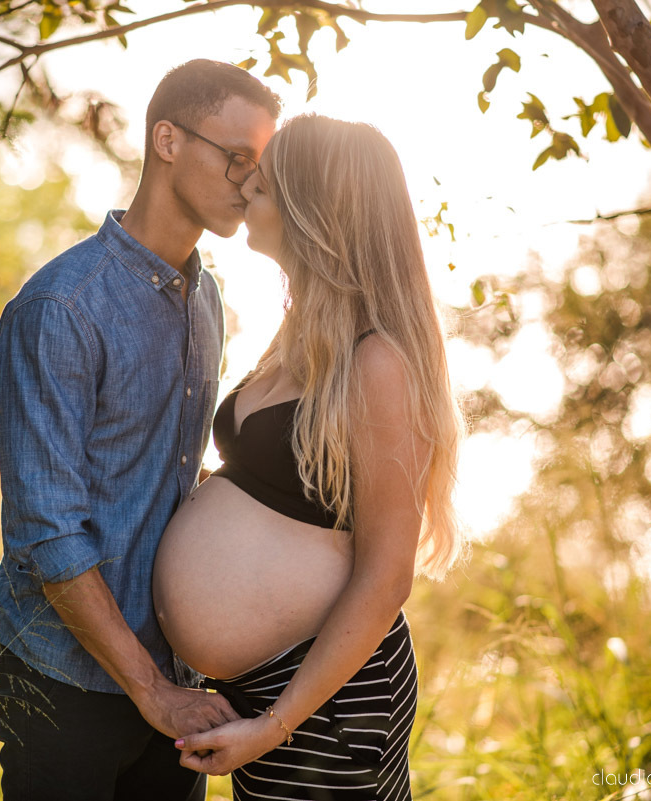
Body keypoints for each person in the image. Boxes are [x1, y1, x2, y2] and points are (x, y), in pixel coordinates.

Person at [0, 60, 281, 800]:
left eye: (260, 166)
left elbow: (168, 475)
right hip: (67, 685)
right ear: (168, 140)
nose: (249, 183)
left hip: (176, 681)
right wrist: (151, 689)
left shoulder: (206, 297)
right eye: (235, 156)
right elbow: (47, 530)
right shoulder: (60, 307)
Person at [152, 114, 469, 800]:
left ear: (313, 215)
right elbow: (287, 488)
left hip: (324, 697)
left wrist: (276, 723)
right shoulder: (303, 333)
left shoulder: (377, 359)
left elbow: (387, 575)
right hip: (261, 686)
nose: (243, 197)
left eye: (261, 189)